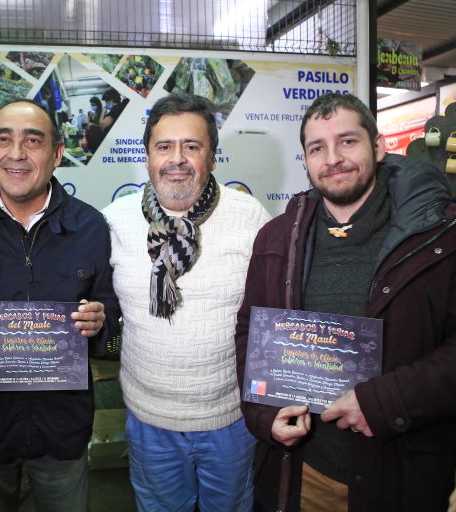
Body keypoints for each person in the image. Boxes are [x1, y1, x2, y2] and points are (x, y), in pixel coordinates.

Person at [235, 92, 456, 512]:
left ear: (378, 146)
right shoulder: (276, 238)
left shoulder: (445, 232)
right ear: (304, 160)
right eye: (317, 148)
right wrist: (262, 416)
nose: (333, 159)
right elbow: (250, 333)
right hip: (303, 476)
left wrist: (385, 402)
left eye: (347, 141)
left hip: (403, 476)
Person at [0, 98, 119, 512]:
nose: (16, 153)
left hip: (62, 432)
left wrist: (101, 322)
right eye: (4, 140)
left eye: (32, 141)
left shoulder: (90, 227)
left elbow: (111, 316)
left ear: (56, 154)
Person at [102, 92, 271, 511]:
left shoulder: (250, 217)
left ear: (212, 157)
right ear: (146, 156)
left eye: (191, 146)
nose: (177, 159)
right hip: (149, 421)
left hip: (230, 420)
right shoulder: (114, 221)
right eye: (164, 146)